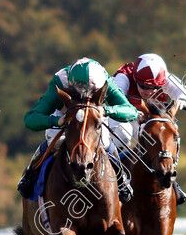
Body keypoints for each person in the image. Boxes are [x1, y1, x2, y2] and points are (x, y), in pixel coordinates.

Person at [17, 57, 138, 202]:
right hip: (66, 115)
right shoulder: (60, 81)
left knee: (106, 143)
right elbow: (30, 119)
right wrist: (56, 121)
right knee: (55, 141)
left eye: (93, 91)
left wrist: (106, 110)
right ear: (71, 83)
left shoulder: (105, 80)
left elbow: (131, 111)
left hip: (93, 117)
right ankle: (30, 173)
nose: (87, 95)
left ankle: (121, 179)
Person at [112, 53, 186, 204]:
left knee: (166, 137)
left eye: (154, 88)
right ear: (135, 78)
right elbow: (116, 101)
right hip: (119, 117)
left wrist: (180, 101)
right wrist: (135, 113)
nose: (148, 92)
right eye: (143, 86)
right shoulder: (123, 77)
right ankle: (116, 178)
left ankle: (173, 181)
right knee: (123, 134)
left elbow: (184, 92)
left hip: (147, 120)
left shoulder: (165, 77)